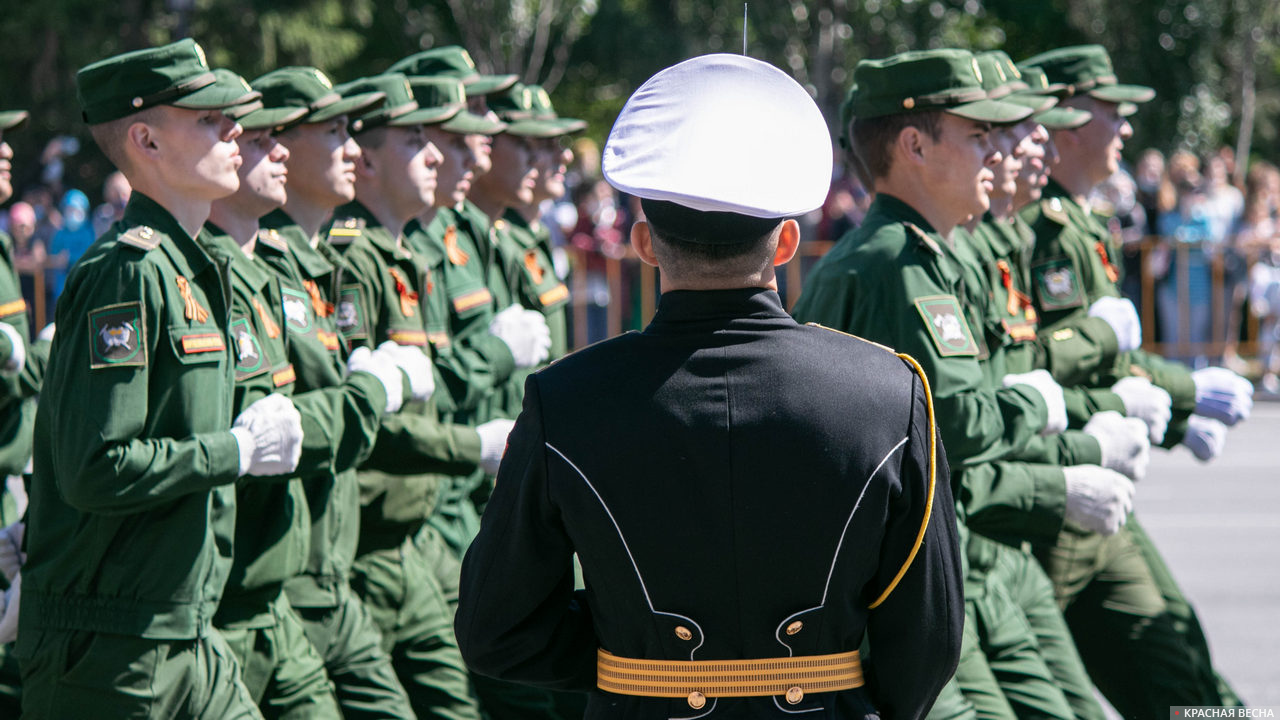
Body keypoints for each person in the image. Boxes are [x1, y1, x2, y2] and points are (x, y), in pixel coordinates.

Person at [457, 53, 963, 720]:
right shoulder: (889, 393)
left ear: (643, 242)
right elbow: (931, 634)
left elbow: (498, 629)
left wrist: (634, 656)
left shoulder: (566, 399)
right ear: (787, 243)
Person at [17, 39, 300, 719]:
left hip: (187, 632)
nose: (234, 130)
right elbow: (97, 467)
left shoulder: (197, 267)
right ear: (145, 138)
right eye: (207, 119)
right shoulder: (129, 272)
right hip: (113, 651)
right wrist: (233, 452)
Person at [1019, 44, 1251, 714]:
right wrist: (1183, 396)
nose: (1125, 128)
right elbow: (1050, 366)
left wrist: (1179, 408)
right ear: (1061, 122)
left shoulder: (1081, 219)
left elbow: (1110, 361)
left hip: (1103, 496)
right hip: (1053, 502)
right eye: (1109, 112)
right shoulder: (1033, 229)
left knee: (1184, 673)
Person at [248, 65, 423, 720]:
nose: (353, 147)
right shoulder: (269, 266)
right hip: (288, 578)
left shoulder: (321, 263)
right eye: (335, 131)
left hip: (333, 566)